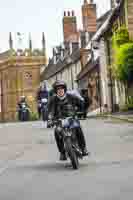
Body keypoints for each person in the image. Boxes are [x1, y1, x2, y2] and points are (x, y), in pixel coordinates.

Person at [48, 80, 89, 161]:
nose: (60, 91)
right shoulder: (53, 100)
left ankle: (83, 148)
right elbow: (50, 111)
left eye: (62, 89)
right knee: (57, 132)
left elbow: (81, 103)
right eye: (58, 89)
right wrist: (50, 119)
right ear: (56, 91)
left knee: (78, 128)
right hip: (59, 121)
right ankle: (62, 152)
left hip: (72, 119)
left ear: (64, 89)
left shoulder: (71, 96)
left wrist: (82, 109)